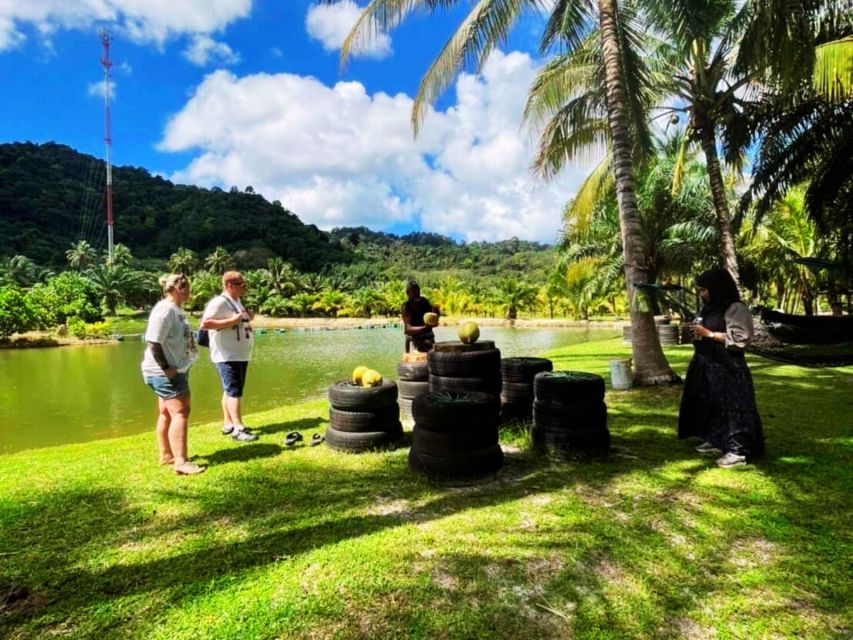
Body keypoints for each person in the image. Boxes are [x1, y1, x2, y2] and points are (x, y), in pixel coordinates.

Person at [678, 268, 765, 468]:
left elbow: (741, 339)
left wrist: (708, 334)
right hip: (706, 363)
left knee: (734, 406)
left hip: (728, 365)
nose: (702, 295)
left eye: (704, 290)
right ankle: (717, 439)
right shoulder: (709, 308)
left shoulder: (735, 308)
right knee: (710, 403)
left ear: (717, 288)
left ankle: (738, 450)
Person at [141, 274, 205, 475]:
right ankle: (181, 462)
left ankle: (167, 455)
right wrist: (167, 368)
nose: (188, 291)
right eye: (185, 287)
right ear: (176, 288)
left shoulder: (176, 310)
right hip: (165, 372)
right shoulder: (165, 310)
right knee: (181, 412)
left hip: (173, 370)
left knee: (167, 413)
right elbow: (153, 342)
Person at [201, 271, 258, 442]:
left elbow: (239, 320)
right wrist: (232, 321)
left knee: (230, 390)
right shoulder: (218, 302)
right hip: (227, 354)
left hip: (239, 353)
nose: (244, 288)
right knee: (234, 391)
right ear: (229, 286)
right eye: (241, 284)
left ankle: (228, 424)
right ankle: (238, 428)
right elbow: (206, 323)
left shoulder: (236, 301)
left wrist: (246, 318)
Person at [402, 280, 439, 352]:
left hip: (428, 336)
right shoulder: (406, 306)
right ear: (408, 293)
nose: (417, 294)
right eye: (414, 292)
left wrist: (437, 313)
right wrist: (424, 328)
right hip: (415, 337)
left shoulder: (424, 301)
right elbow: (409, 329)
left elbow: (433, 319)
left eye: (418, 291)